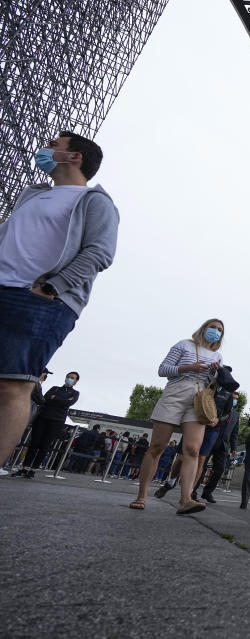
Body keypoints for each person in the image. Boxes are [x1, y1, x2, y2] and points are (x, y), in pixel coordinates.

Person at [0, 131, 119, 474]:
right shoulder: (33, 196)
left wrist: (53, 288)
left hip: (39, 300)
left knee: (14, 384)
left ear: (75, 157)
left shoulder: (95, 202)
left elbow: (100, 253)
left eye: (54, 146)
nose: (45, 149)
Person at [129, 319, 224, 515]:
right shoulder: (184, 344)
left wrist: (215, 375)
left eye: (220, 330)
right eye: (213, 327)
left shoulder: (218, 356)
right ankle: (141, 495)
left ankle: (186, 500)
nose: (215, 331)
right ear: (204, 328)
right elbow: (163, 370)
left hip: (199, 398)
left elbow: (215, 385)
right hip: (175, 393)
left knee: (193, 450)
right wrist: (188, 368)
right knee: (157, 446)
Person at [15, 371, 80, 478]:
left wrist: (56, 399)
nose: (69, 379)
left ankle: (33, 470)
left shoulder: (75, 393)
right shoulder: (55, 388)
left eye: (72, 378)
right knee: (33, 443)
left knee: (44, 446)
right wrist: (61, 400)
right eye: (68, 377)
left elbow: (67, 403)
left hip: (57, 421)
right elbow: (46, 399)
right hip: (42, 418)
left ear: (76, 381)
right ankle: (24, 468)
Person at [200, 391, 241, 502]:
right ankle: (192, 491)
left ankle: (207, 492)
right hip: (210, 440)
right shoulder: (218, 409)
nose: (234, 400)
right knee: (201, 467)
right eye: (233, 398)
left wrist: (234, 448)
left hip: (223, 445)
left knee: (220, 469)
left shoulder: (236, 415)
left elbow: (234, 433)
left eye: (236, 398)